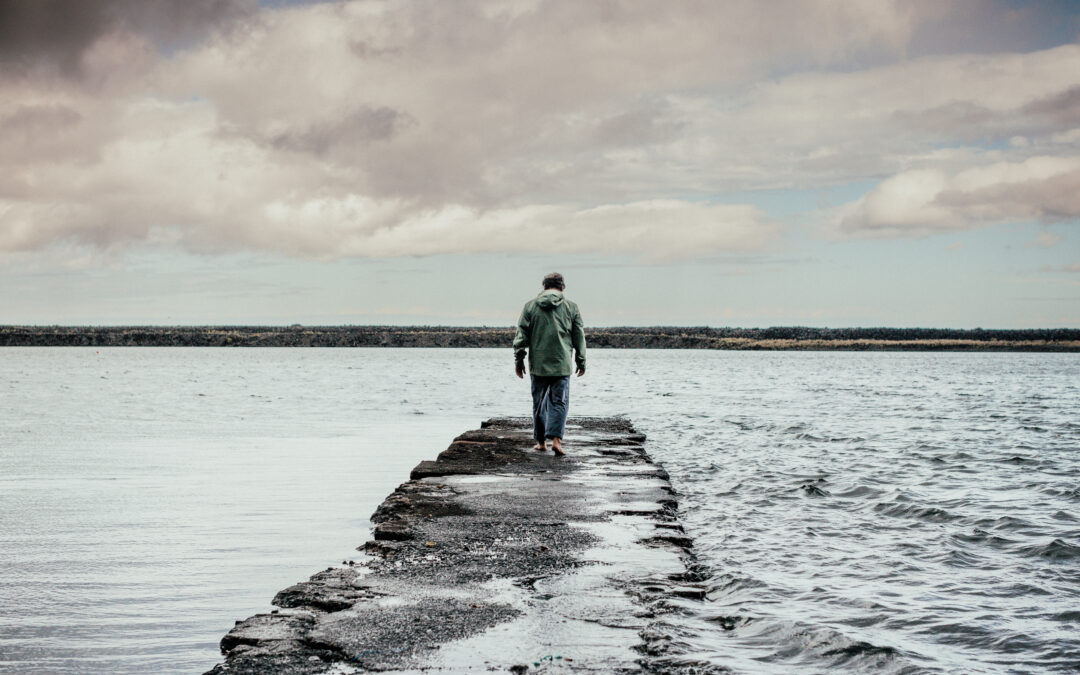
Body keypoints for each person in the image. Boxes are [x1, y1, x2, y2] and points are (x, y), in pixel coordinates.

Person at [513, 272, 586, 455]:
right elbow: (579, 336)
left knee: (539, 403)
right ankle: (556, 441)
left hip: (538, 365)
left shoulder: (530, 306)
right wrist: (581, 360)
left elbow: (521, 336)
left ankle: (541, 442)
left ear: (544, 286)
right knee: (559, 403)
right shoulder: (571, 307)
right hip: (562, 364)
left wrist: (519, 360)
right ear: (562, 287)